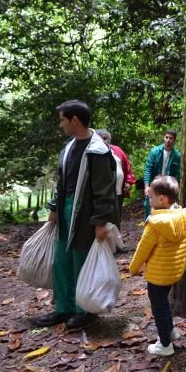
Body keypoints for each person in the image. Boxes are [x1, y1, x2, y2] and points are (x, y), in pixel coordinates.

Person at [35, 100, 119, 330]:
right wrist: (54, 207)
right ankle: (64, 307)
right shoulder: (69, 147)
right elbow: (61, 181)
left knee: (81, 259)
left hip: (86, 212)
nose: (60, 124)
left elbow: (104, 189)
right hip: (65, 208)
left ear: (75, 120)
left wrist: (100, 221)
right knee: (62, 259)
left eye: (63, 120)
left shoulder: (98, 151)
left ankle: (85, 310)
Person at [129, 176, 186, 357]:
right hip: (175, 270)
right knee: (164, 303)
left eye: (151, 197)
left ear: (162, 199)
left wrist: (133, 268)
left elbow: (142, 249)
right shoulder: (184, 216)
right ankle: (170, 331)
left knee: (159, 307)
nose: (149, 200)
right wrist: (185, 264)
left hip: (158, 275)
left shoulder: (155, 224)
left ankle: (165, 345)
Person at [96, 129, 135, 228]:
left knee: (116, 218)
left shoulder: (117, 150)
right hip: (101, 194)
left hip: (118, 192)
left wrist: (128, 182)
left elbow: (128, 167)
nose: (105, 141)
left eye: (106, 138)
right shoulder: (94, 152)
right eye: (102, 138)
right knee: (103, 219)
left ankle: (116, 241)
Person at [143, 130, 182, 219]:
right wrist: (146, 186)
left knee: (166, 212)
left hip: (167, 186)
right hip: (154, 185)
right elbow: (148, 169)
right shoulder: (154, 152)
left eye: (171, 138)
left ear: (174, 140)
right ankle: (148, 229)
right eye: (166, 137)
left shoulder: (177, 155)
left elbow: (177, 175)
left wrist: (175, 189)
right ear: (164, 138)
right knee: (149, 210)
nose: (168, 140)